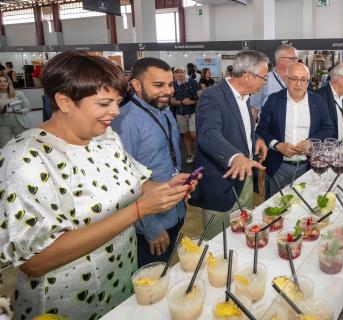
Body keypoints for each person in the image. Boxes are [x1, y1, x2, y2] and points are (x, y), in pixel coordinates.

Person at [0, 51, 196, 319]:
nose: (115, 112)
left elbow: (137, 183)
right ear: (64, 101)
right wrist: (138, 211)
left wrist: (166, 189)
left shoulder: (106, 138)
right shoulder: (26, 158)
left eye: (117, 102)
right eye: (104, 104)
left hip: (121, 284)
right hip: (66, 303)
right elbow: (35, 260)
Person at [111, 58, 186, 268]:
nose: (168, 91)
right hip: (151, 225)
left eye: (170, 84)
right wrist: (150, 228)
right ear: (136, 85)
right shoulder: (125, 122)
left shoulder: (165, 111)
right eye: (159, 85)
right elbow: (125, 182)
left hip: (174, 210)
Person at [189, 50, 269, 239]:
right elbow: (209, 135)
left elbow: (239, 127)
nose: (264, 83)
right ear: (248, 76)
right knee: (219, 242)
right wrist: (236, 157)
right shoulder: (212, 96)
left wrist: (256, 138)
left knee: (242, 234)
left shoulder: (245, 96)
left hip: (245, 179)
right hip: (221, 182)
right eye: (263, 78)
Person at [256, 63, 335, 198]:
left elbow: (329, 128)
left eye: (303, 79)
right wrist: (276, 145)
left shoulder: (318, 101)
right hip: (278, 167)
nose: (299, 84)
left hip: (308, 166)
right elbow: (262, 129)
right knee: (276, 208)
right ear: (286, 80)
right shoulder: (273, 100)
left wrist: (311, 142)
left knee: (305, 207)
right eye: (294, 78)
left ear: (308, 81)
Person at [249, 44, 297, 120]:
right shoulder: (263, 80)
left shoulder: (300, 80)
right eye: (293, 58)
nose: (296, 62)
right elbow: (253, 109)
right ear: (281, 60)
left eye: (296, 58)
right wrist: (251, 131)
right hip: (269, 129)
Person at [170, 68, 199, 164]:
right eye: (177, 73)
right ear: (174, 75)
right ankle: (190, 154)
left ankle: (199, 153)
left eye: (181, 72)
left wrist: (192, 101)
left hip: (193, 112)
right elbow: (171, 101)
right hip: (180, 113)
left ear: (185, 73)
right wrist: (182, 102)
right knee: (186, 134)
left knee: (194, 134)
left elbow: (200, 96)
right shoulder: (173, 85)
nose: (180, 74)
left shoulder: (193, 82)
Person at [0, 74, 32, 147]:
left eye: (5, 81)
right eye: (0, 81)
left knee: (23, 144)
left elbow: (28, 107)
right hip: (3, 123)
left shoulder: (18, 93)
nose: (3, 83)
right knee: (4, 146)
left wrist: (19, 111)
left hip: (19, 121)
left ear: (9, 82)